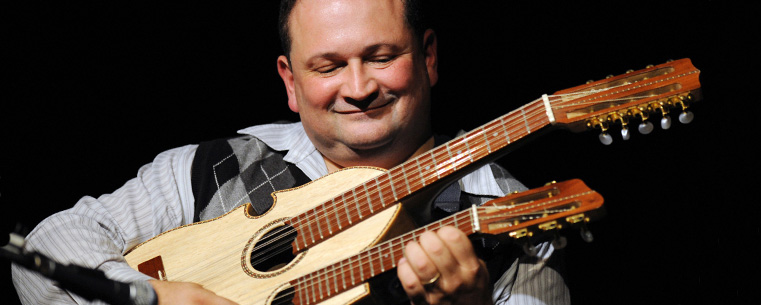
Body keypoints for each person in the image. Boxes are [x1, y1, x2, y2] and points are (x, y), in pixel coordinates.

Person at [12, 0, 569, 304]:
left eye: (380, 57)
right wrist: (153, 298)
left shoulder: (508, 216)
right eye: (328, 67)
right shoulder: (213, 168)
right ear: (290, 81)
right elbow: (50, 246)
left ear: (428, 57)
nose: (357, 87)